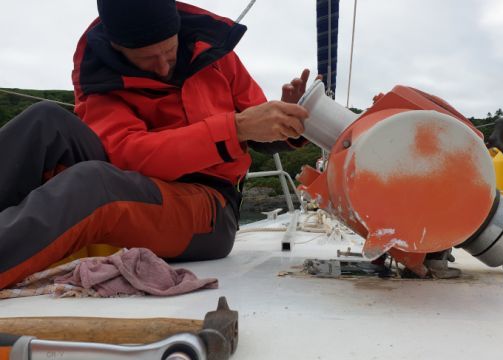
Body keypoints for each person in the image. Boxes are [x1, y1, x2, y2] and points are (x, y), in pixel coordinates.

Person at [0, 0, 317, 289]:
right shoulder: (100, 75)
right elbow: (127, 154)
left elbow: (258, 130)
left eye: (170, 52)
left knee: (94, 187)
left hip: (210, 207)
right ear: (117, 48)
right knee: (44, 122)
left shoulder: (217, 54)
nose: (164, 67)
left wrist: (285, 121)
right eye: (148, 60)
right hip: (132, 178)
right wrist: (234, 129)